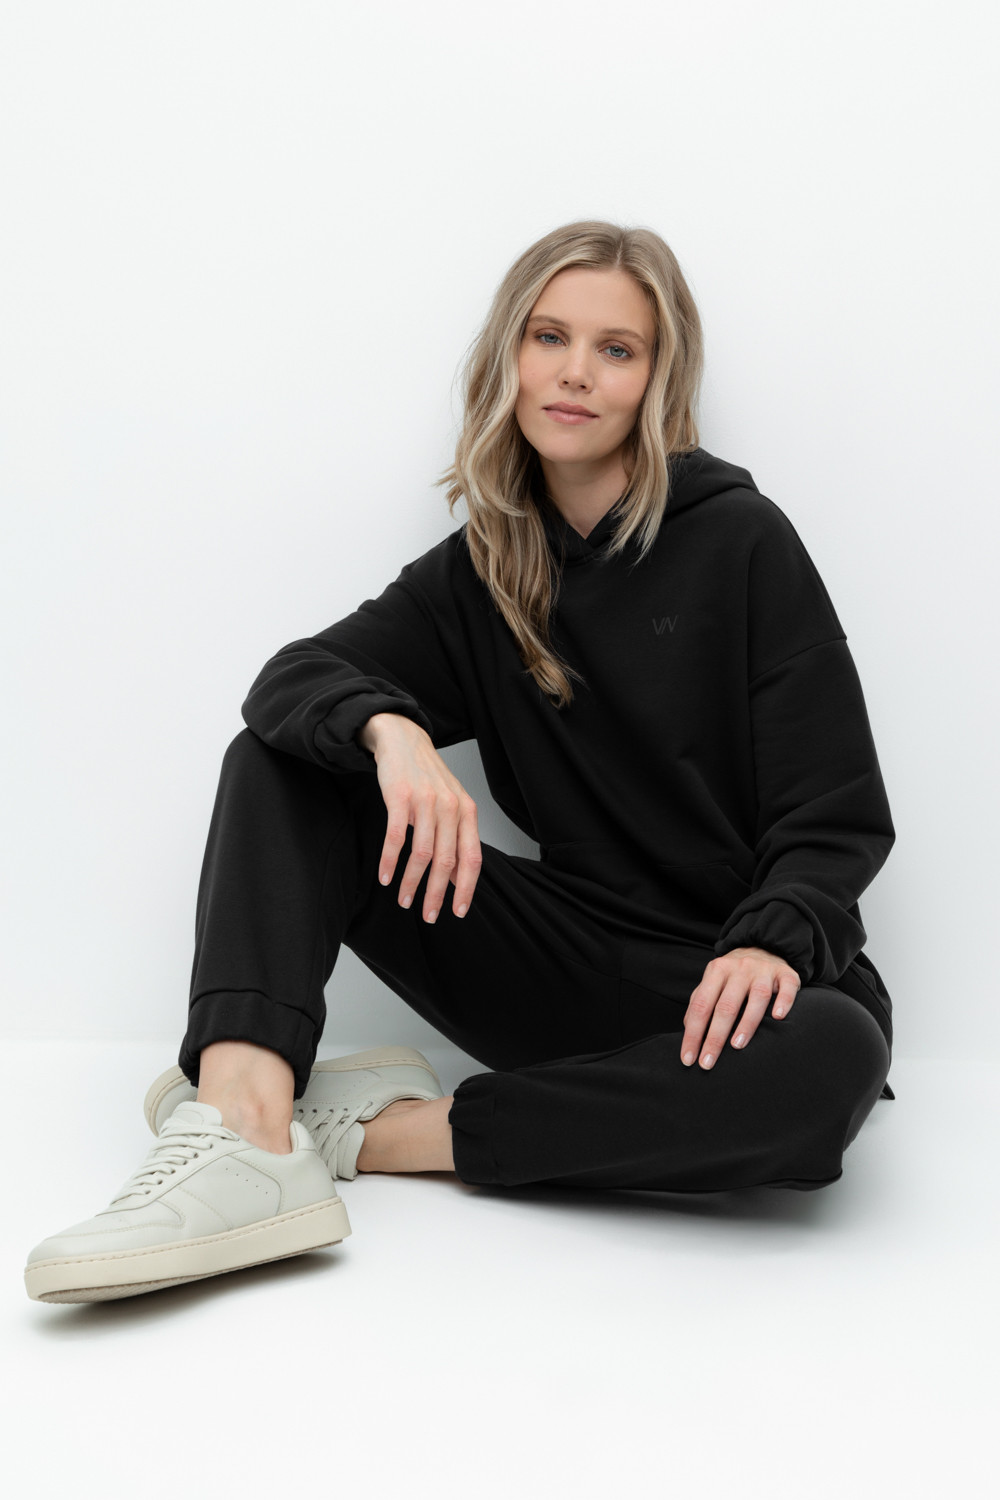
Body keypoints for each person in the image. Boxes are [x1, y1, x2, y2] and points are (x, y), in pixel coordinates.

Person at [25, 220, 895, 1304]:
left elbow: (836, 812)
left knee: (831, 1056)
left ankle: (373, 1136)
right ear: (509, 357)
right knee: (285, 758)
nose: (575, 372)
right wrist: (388, 730)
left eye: (616, 349)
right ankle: (244, 1126)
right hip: (568, 960)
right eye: (549, 337)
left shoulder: (741, 541)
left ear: (656, 381)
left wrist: (774, 940)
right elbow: (294, 677)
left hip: (726, 979)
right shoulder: (484, 571)